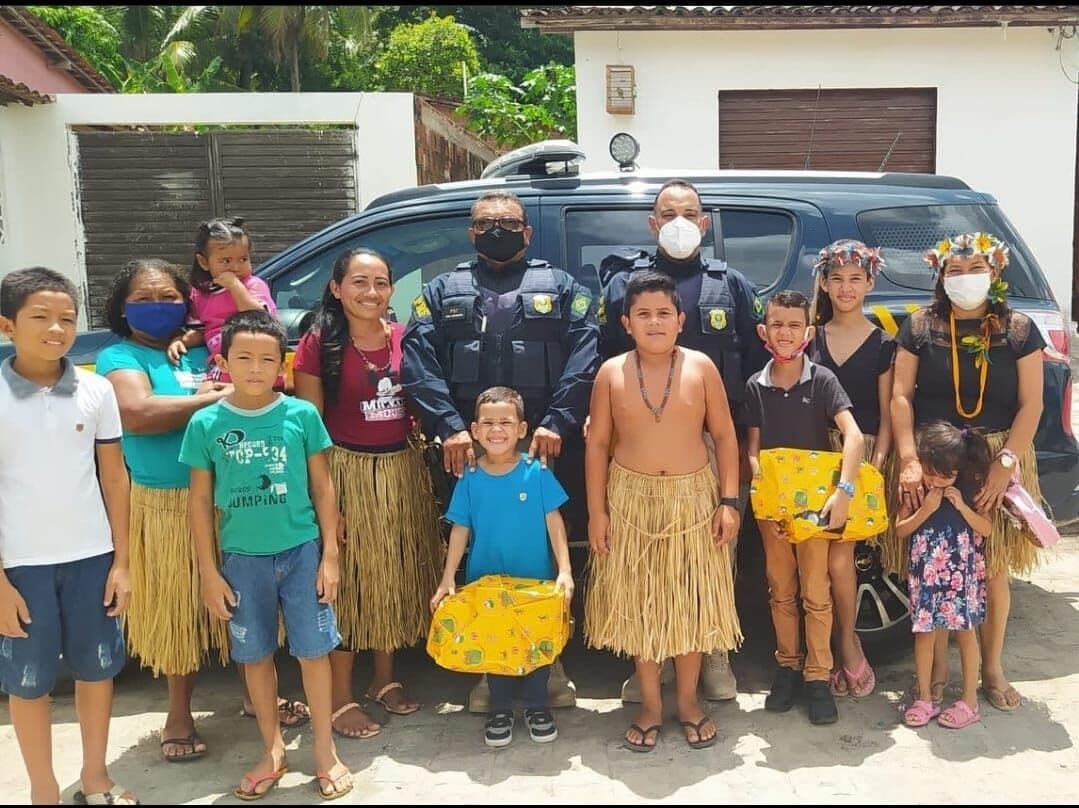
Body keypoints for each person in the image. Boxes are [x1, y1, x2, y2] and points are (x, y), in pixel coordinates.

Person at [96, 259, 308, 764]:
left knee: (243, 602)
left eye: (168, 297)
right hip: (167, 502)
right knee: (180, 610)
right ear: (122, 308)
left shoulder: (199, 347)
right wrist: (223, 396)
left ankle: (255, 698)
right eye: (144, 298)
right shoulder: (118, 356)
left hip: (233, 500)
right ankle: (178, 713)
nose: (158, 307)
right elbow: (138, 415)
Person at [402, 190, 598, 712]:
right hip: (466, 453)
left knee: (539, 552)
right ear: (470, 232)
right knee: (480, 549)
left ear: (527, 232)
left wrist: (556, 421)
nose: (497, 230)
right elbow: (417, 360)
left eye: (508, 222)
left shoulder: (561, 288)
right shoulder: (442, 291)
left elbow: (585, 355)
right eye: (486, 222)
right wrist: (450, 427)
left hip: (544, 449)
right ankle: (491, 665)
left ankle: (548, 661)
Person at [598, 179, 765, 703]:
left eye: (689, 212)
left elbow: (760, 368)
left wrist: (752, 445)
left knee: (711, 556)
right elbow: (598, 354)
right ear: (652, 224)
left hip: (712, 446)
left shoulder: (731, 283)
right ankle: (651, 656)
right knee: (645, 563)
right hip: (640, 445)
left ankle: (712, 652)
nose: (679, 221)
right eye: (667, 212)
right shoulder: (625, 285)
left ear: (705, 223)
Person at [181, 310, 351, 800]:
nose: (256, 368)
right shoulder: (207, 422)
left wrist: (330, 555)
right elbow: (198, 501)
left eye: (267, 359)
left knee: (313, 653)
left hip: (301, 554)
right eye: (244, 358)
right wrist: (209, 573)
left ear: (283, 363)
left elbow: (322, 486)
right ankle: (273, 749)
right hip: (241, 561)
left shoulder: (300, 415)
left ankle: (323, 749)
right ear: (223, 360)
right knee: (255, 656)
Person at [585, 272, 742, 752]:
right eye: (644, 314)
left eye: (664, 314)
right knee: (641, 608)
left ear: (681, 320)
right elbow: (596, 447)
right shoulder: (611, 371)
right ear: (627, 322)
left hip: (692, 501)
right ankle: (651, 703)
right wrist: (597, 513)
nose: (655, 322)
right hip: (630, 502)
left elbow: (725, 435)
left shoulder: (701, 367)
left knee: (689, 606)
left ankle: (689, 702)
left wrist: (729, 500)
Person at [892, 231, 1045, 714]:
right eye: (954, 271)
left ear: (995, 273)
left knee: (991, 567)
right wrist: (910, 459)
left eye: (975, 268)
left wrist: (1006, 463)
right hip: (935, 458)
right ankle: (935, 674)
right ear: (939, 276)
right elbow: (900, 396)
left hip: (994, 456)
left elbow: (1033, 403)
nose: (965, 278)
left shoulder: (1018, 329)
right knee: (933, 564)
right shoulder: (919, 326)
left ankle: (992, 668)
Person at [294, 248, 444, 737]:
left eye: (381, 282)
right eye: (359, 282)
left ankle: (384, 680)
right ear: (337, 289)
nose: (371, 292)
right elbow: (309, 427)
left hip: (400, 471)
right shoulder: (318, 343)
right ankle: (339, 699)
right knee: (351, 584)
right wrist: (327, 504)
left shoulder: (404, 338)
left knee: (393, 576)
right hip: (346, 470)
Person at [0, 267, 136, 805]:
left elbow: (113, 477)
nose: (57, 329)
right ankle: (43, 791)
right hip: (21, 568)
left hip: (92, 559)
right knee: (28, 684)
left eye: (66, 319)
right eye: (41, 318)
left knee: (97, 671)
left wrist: (122, 562)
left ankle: (96, 778)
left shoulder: (96, 389)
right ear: (7, 325)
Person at [430, 386, 574, 747]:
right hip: (487, 582)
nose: (497, 430)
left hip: (535, 584)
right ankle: (501, 709)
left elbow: (554, 521)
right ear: (475, 431)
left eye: (506, 422)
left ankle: (539, 707)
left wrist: (565, 570)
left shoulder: (536, 472)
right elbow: (460, 528)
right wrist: (448, 578)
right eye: (488, 423)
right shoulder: (470, 478)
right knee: (495, 647)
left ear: (522, 429)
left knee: (537, 646)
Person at [746, 289, 864, 726]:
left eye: (795, 325)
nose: (785, 333)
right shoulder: (754, 386)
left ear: (808, 332)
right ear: (764, 330)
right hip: (773, 511)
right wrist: (770, 501)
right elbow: (754, 450)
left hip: (815, 510)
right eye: (777, 324)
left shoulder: (824, 382)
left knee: (817, 593)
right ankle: (788, 667)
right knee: (781, 590)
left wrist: (843, 490)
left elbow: (851, 436)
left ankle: (818, 674)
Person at [808, 240, 895, 699]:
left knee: (841, 559)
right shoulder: (810, 337)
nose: (845, 288)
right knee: (814, 563)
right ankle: (815, 652)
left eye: (855, 279)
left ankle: (847, 640)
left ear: (870, 283)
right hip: (813, 461)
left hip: (859, 463)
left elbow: (883, 414)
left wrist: (873, 470)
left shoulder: (884, 343)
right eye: (837, 279)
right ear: (823, 282)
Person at [896, 422, 992, 730]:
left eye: (945, 475)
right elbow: (900, 529)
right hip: (926, 575)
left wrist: (961, 505)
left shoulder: (969, 488)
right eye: (931, 472)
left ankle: (969, 701)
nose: (936, 480)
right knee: (924, 633)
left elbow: (986, 528)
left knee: (965, 635)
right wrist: (925, 509)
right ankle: (924, 698)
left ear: (959, 470)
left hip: (959, 577)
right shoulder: (917, 490)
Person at [169, 217, 277, 381]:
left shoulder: (253, 285)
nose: (235, 267)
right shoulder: (200, 293)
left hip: (255, 362)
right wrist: (181, 341)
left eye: (243, 259)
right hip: (222, 365)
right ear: (204, 262)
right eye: (226, 261)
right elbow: (200, 331)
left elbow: (260, 319)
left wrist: (235, 287)